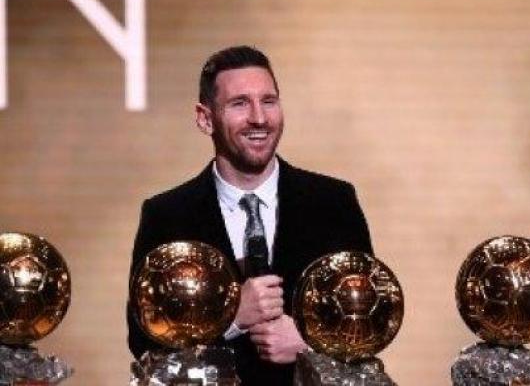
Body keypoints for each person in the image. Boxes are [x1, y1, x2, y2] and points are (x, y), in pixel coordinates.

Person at [127, 45, 373, 385]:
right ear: (205, 118)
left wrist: (308, 343)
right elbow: (143, 345)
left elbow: (368, 321)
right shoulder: (167, 216)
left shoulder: (333, 202)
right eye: (239, 103)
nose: (259, 118)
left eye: (268, 101)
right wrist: (230, 320)